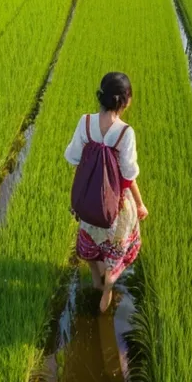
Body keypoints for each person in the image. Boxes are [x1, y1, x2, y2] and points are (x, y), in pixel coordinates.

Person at [65, 72, 148, 313]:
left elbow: (72, 157)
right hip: (116, 208)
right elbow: (129, 175)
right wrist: (141, 204)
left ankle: (95, 277)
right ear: (124, 101)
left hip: (88, 201)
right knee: (116, 248)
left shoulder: (86, 122)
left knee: (91, 245)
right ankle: (109, 281)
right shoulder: (125, 132)